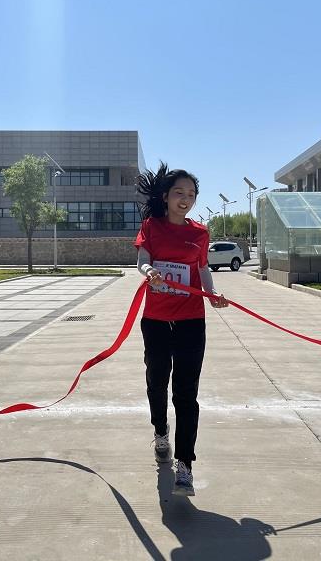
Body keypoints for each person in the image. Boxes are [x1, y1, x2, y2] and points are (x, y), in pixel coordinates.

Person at [134, 162, 228, 496]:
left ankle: (185, 464)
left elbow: (202, 269)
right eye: (179, 192)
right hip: (156, 320)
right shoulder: (152, 226)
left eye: (191, 194)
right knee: (157, 382)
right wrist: (149, 272)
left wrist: (212, 294)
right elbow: (142, 259)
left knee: (186, 393)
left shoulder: (199, 233)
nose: (185, 198)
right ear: (165, 196)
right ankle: (160, 432)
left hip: (191, 321)